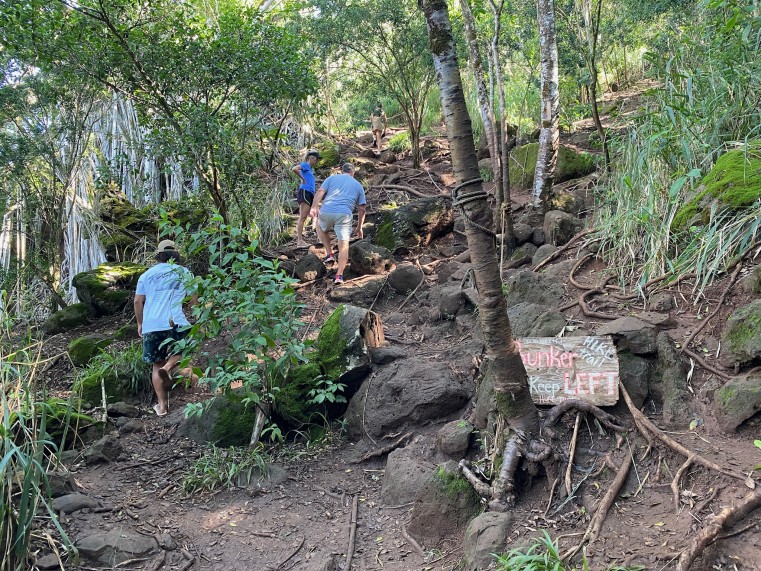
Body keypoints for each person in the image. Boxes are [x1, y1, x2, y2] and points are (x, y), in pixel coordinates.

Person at [134, 240, 197, 417]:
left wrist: (140, 323)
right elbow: (193, 297)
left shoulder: (146, 275)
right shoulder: (184, 272)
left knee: (156, 364)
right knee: (186, 346)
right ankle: (169, 367)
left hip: (152, 324)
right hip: (175, 320)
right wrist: (197, 314)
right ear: (175, 254)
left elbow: (138, 301)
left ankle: (162, 406)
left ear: (159, 255)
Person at [310, 163, 367, 284]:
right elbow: (362, 209)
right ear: (353, 172)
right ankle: (339, 276)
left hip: (326, 210)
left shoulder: (331, 178)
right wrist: (359, 227)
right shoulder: (358, 185)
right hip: (344, 215)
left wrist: (314, 207)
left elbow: (320, 191)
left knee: (320, 226)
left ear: (342, 171)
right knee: (344, 246)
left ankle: (329, 254)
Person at [291, 150, 321, 248]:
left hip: (310, 193)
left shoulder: (310, 169)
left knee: (317, 214)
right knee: (303, 217)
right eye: (316, 160)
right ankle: (299, 241)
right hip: (304, 192)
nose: (317, 162)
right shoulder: (305, 165)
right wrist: (302, 179)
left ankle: (320, 238)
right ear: (311, 158)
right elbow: (294, 168)